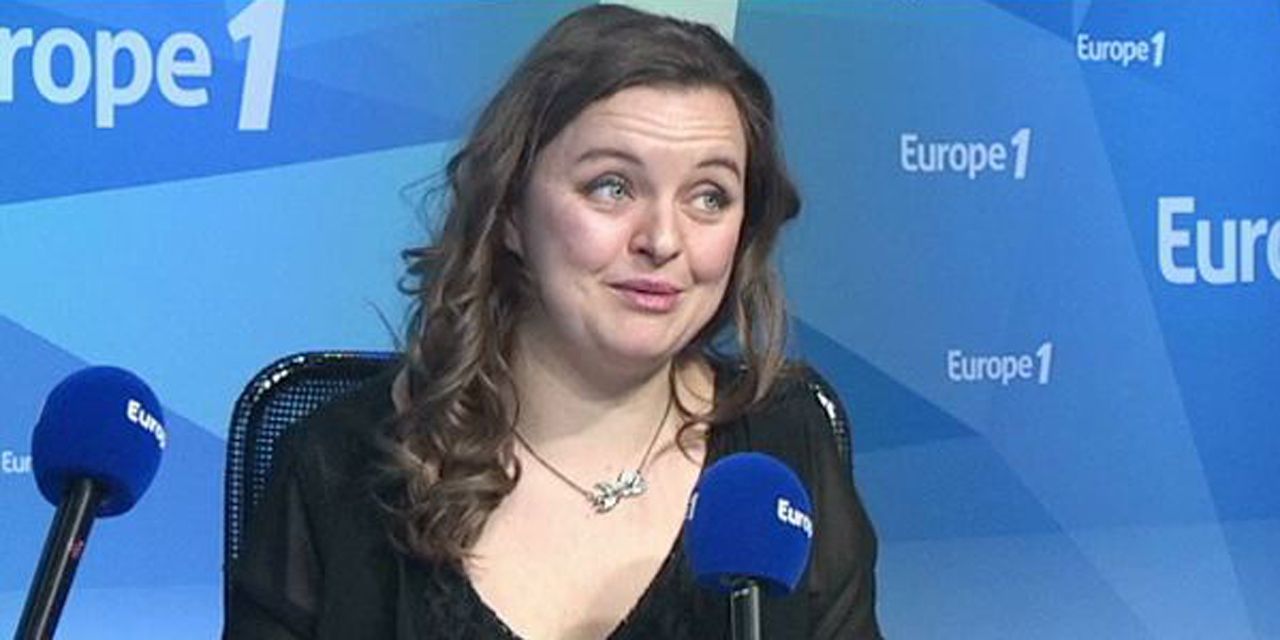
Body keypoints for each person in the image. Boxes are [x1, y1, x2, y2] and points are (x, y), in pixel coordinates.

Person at [226, 4, 881, 639]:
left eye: (709, 197)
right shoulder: (337, 465)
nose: (662, 239)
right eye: (612, 187)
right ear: (511, 211)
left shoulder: (785, 447)